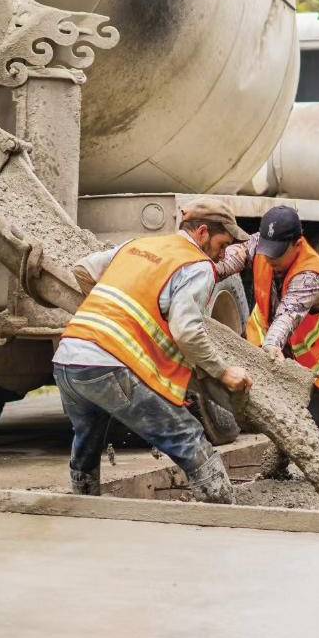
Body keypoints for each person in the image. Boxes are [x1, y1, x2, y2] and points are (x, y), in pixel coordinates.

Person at [53, 199, 253, 502]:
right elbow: (187, 331)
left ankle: (84, 506)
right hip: (112, 364)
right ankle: (225, 510)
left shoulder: (139, 245)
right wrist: (224, 373)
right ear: (201, 233)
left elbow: (82, 269)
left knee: (88, 439)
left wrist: (110, 314)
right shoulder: (197, 266)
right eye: (223, 244)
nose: (224, 253)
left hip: (69, 358)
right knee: (187, 437)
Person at [216, 205, 319, 446]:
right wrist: (205, 269)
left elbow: (288, 314)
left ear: (297, 244)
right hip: (280, 342)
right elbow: (233, 257)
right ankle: (279, 467)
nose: (269, 258)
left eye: (277, 253)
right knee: (280, 413)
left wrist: (270, 345)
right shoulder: (262, 245)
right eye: (267, 250)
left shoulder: (311, 275)